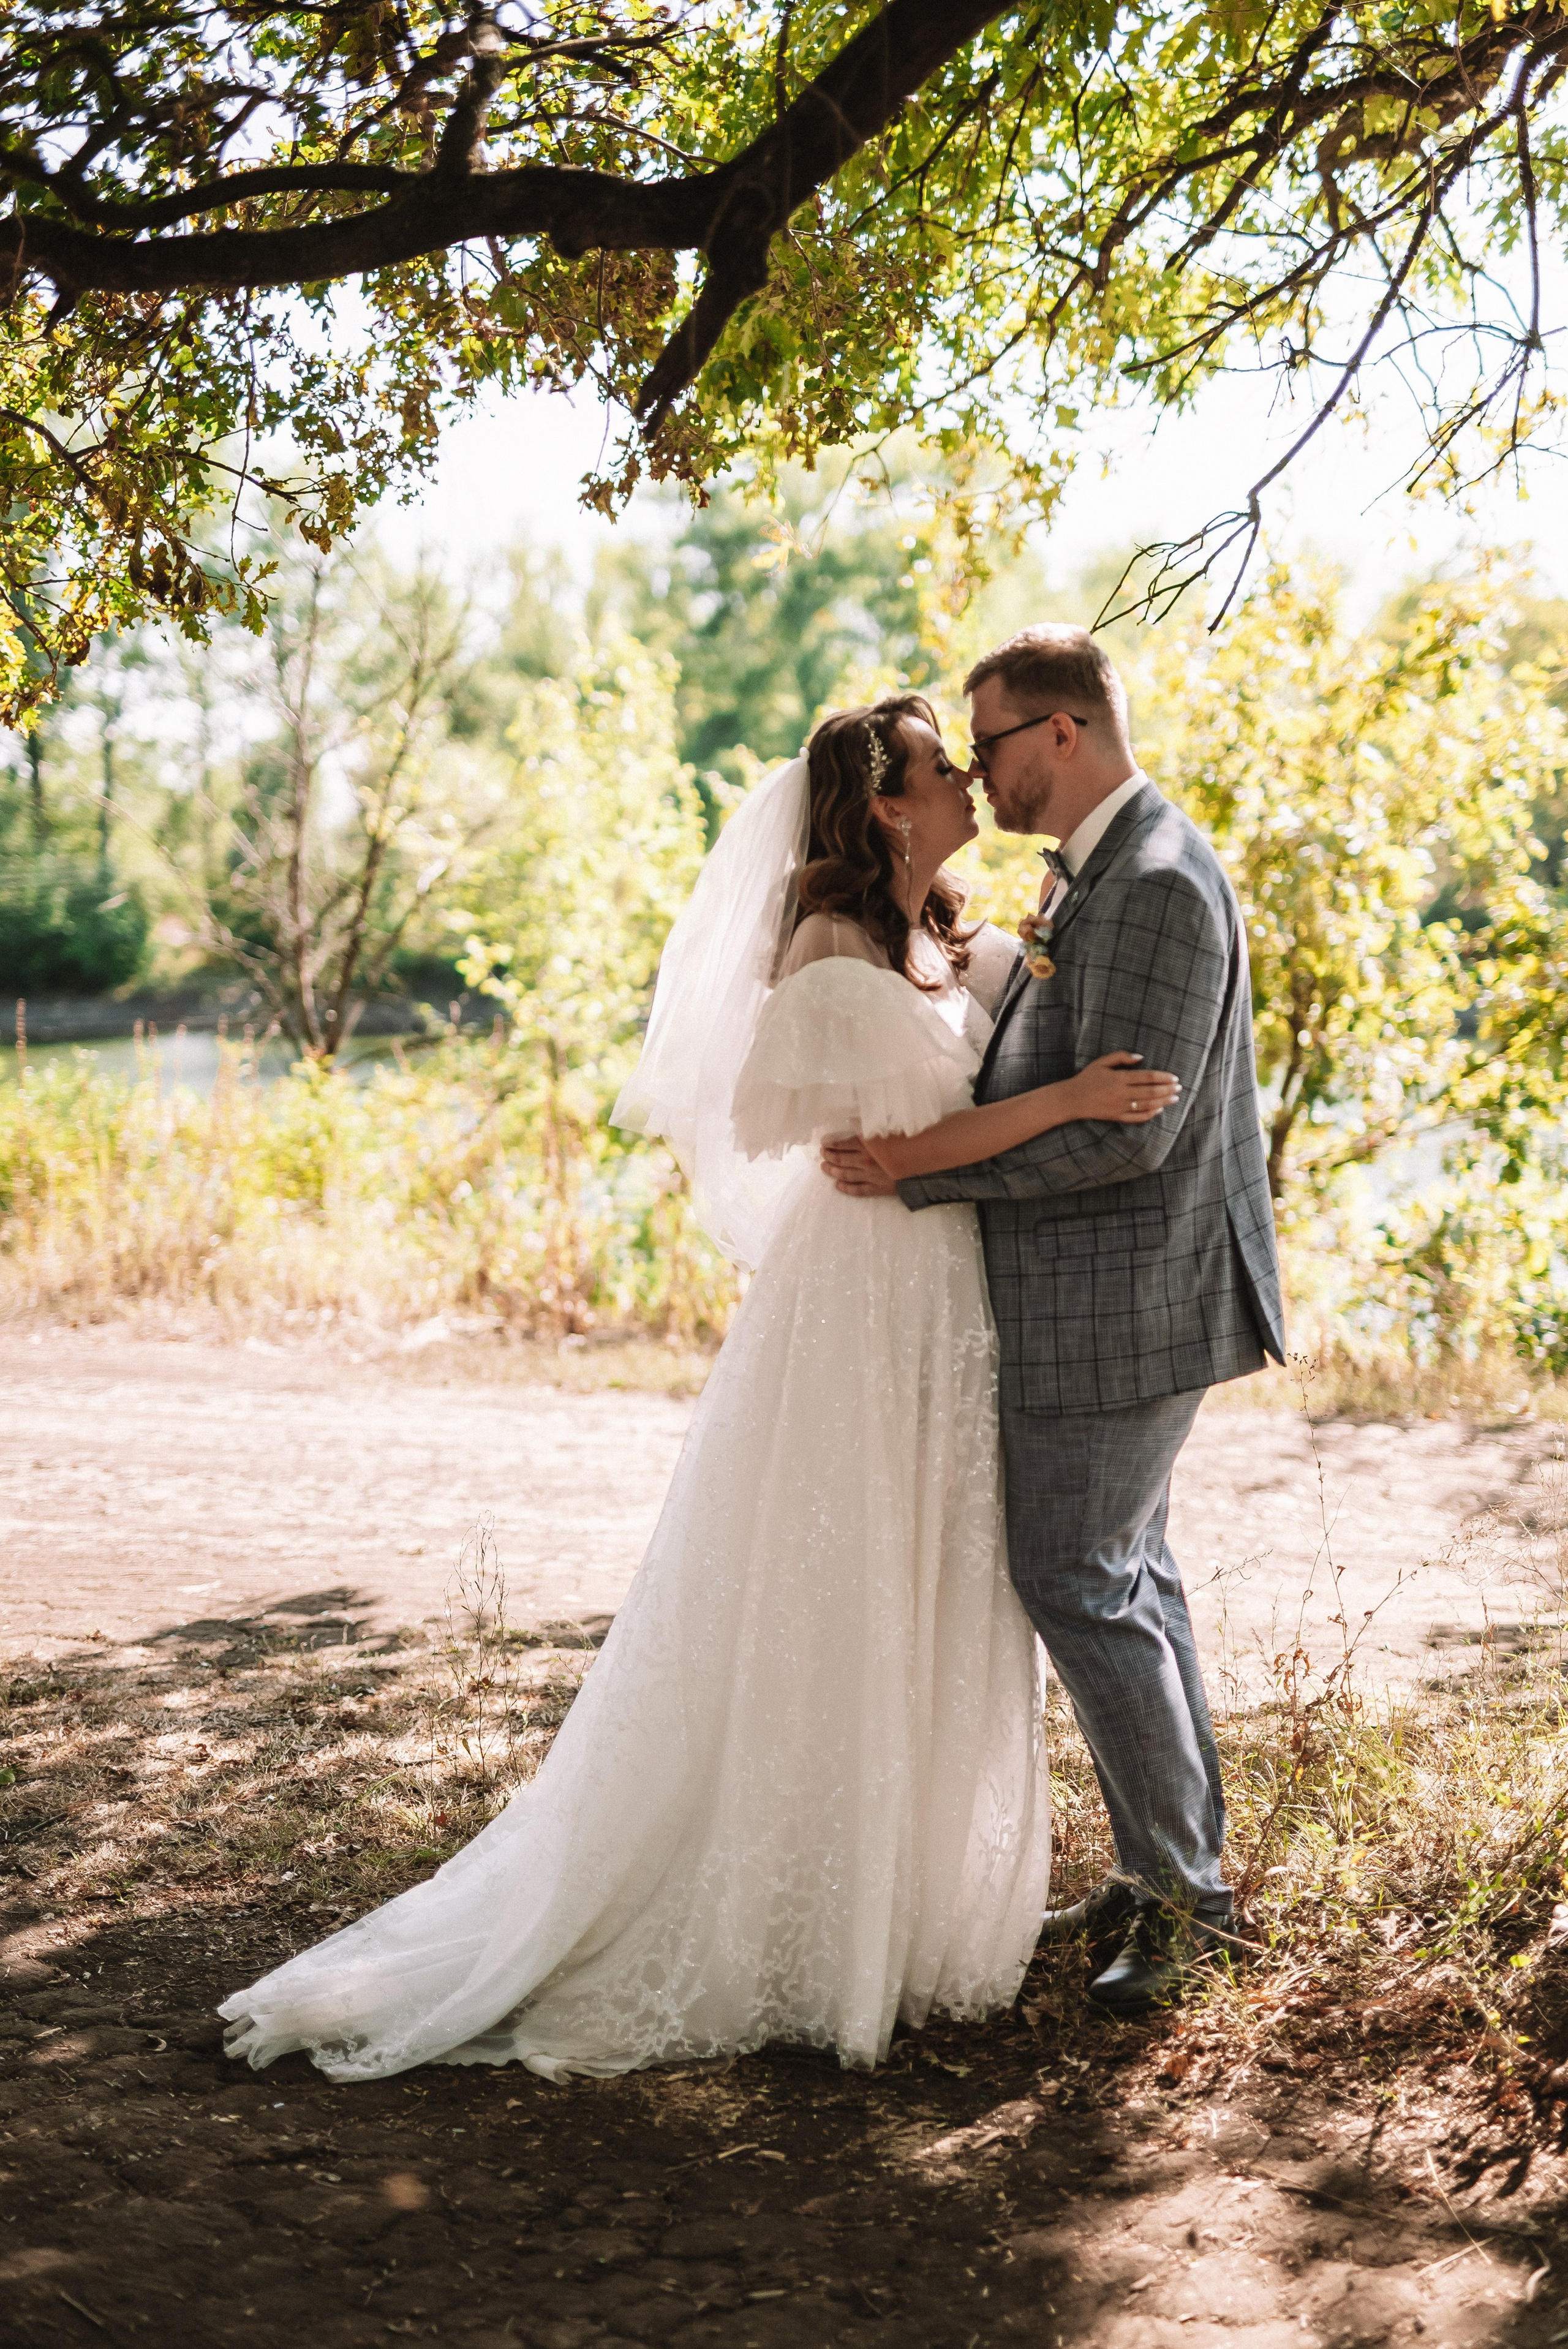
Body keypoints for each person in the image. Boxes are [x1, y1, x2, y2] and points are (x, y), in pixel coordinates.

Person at [218, 693, 1180, 2083]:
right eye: (936, 763)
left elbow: (959, 1079)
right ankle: (798, 1915)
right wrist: (1068, 1101)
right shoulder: (830, 949)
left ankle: (905, 1900)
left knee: (933, 1577)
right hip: (864, 1300)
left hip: (946, 1303)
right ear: (886, 808)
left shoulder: (940, 938)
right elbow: (872, 1150)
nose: (966, 775)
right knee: (843, 1583)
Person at [824, 628, 1285, 2012]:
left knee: (1076, 1579)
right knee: (1123, 1574)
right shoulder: (1101, 873)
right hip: (1115, 1295)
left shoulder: (1145, 882)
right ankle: (1168, 1866)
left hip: (1121, 1297)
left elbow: (1123, 1140)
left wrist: (924, 1173)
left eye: (993, 744)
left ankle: (1190, 1903)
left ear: (1064, 733)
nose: (981, 771)